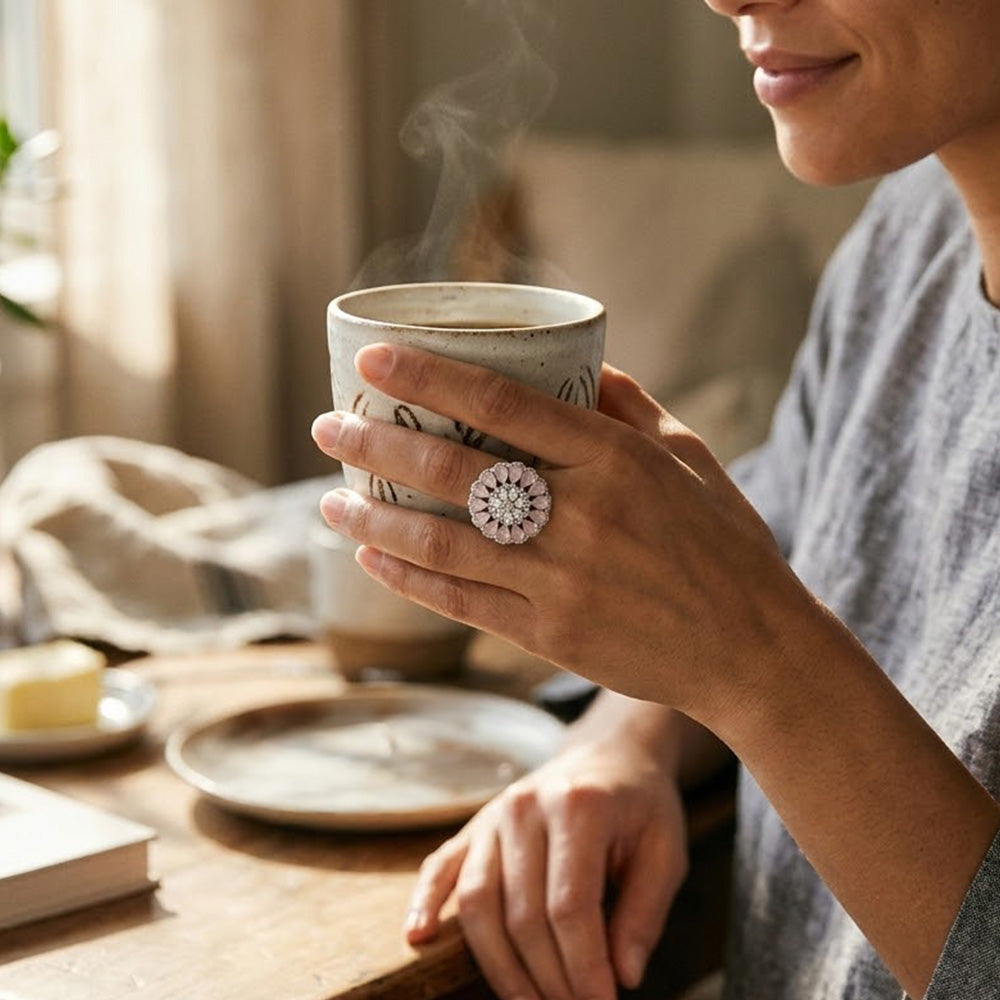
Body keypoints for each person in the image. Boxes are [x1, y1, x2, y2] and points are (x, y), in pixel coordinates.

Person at [311, 0, 1000, 997]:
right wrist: (628, 734)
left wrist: (756, 664)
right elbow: (795, 530)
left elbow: (766, 626)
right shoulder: (913, 230)